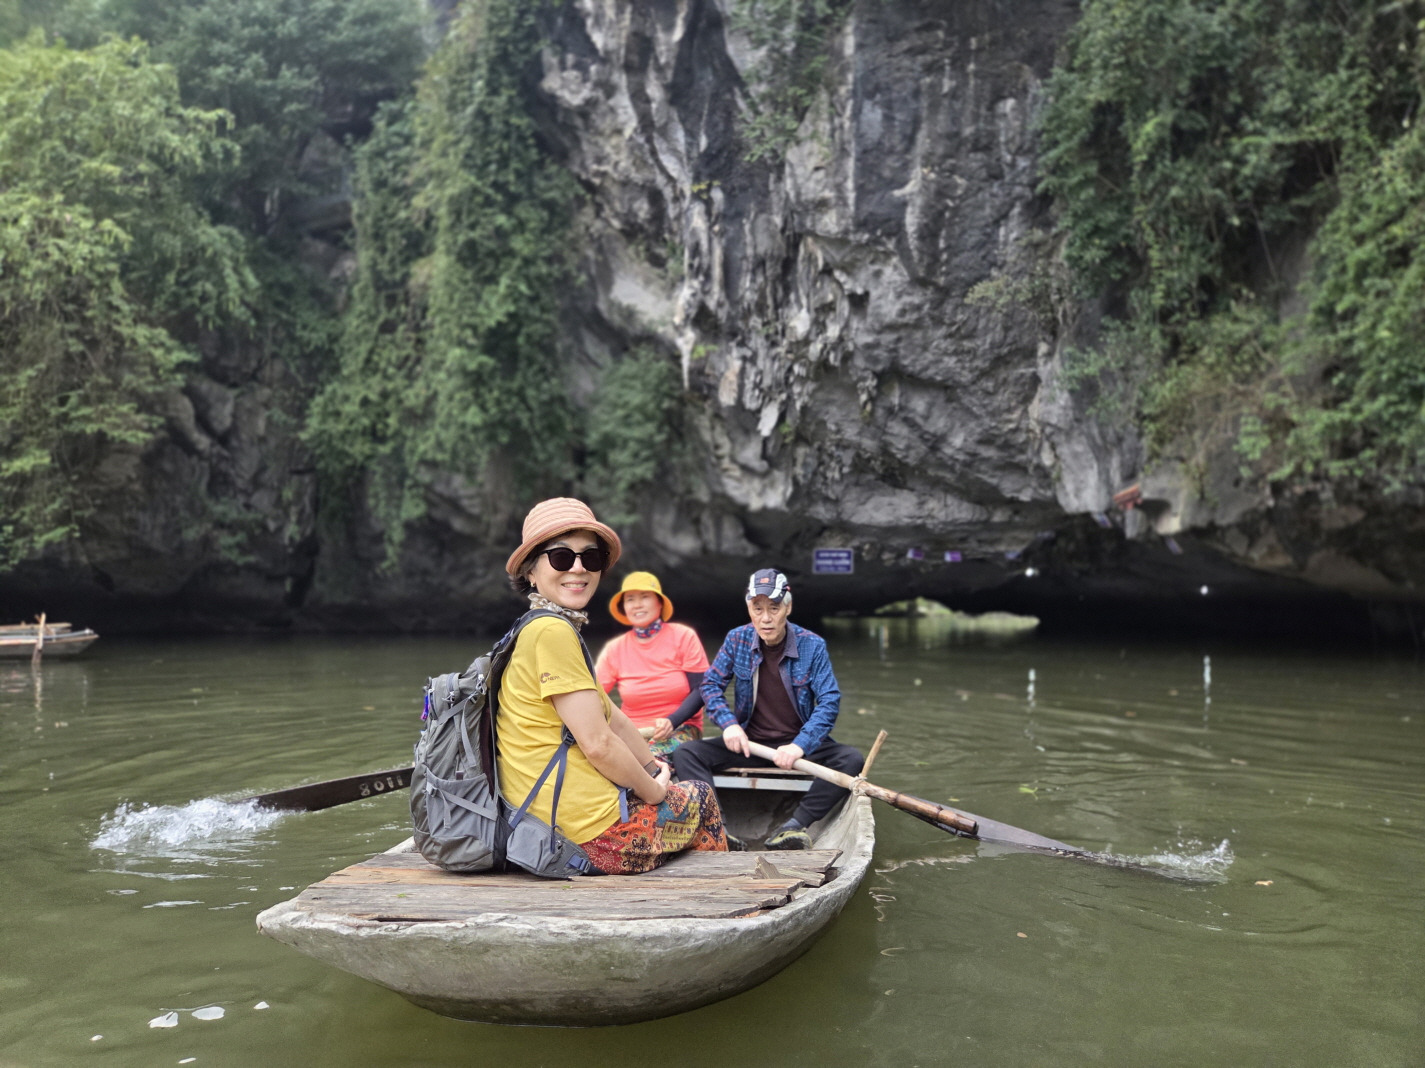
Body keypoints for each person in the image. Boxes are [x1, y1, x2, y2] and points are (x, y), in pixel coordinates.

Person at [499, 498, 729, 875]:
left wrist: (650, 765)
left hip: (546, 820)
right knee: (700, 798)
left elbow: (614, 719)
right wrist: (655, 790)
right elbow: (599, 744)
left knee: (671, 789)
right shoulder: (553, 633)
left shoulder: (534, 627)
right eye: (561, 557)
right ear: (531, 572)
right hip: (585, 834)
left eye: (590, 558)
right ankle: (719, 891)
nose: (578, 568)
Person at [672, 568, 863, 850]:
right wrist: (729, 725)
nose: (765, 618)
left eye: (774, 608)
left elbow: (829, 701)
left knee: (851, 759)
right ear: (749, 609)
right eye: (757, 608)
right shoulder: (737, 639)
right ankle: (717, 827)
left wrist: (799, 745)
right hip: (751, 745)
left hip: (798, 748)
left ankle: (794, 826)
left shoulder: (812, 645)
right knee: (685, 753)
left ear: (788, 607)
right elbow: (710, 685)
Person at [595, 572, 710, 759]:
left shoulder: (683, 636)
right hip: (632, 733)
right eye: (630, 599)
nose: (637, 605)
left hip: (681, 728)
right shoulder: (614, 649)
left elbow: (702, 689)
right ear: (624, 607)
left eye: (645, 597)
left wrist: (672, 721)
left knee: (649, 758)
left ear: (660, 603)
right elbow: (594, 696)